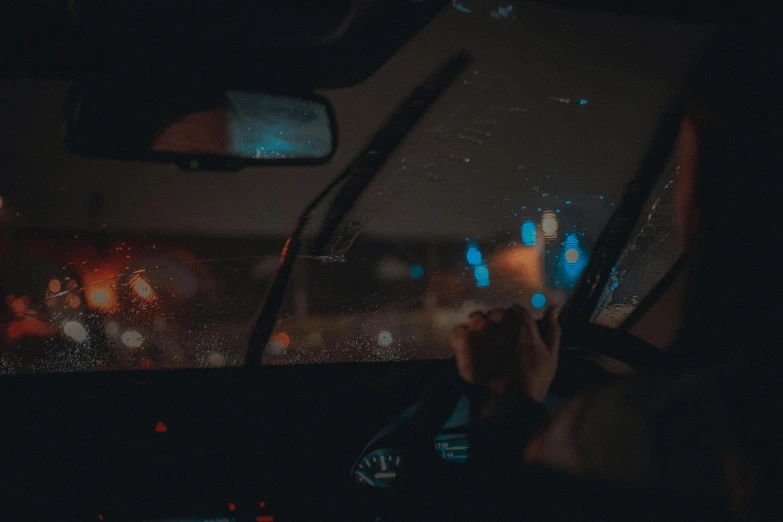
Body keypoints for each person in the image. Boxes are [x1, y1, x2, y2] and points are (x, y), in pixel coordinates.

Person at [448, 18, 783, 521]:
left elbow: (503, 500)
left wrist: (513, 395)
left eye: (685, 154)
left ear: (711, 180)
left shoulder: (636, 435)